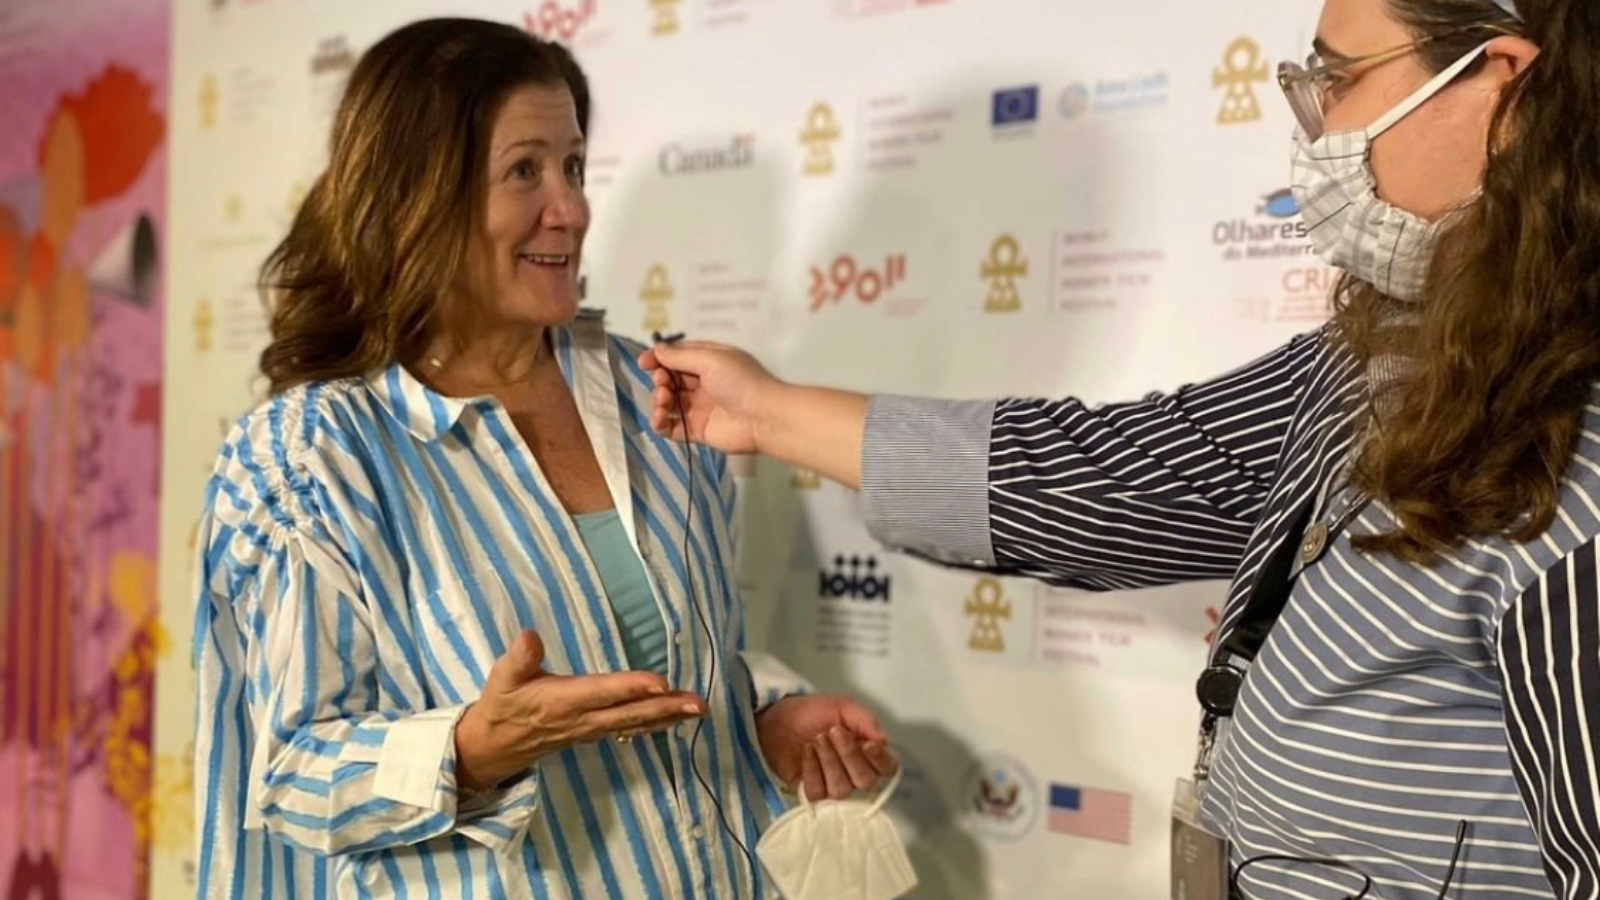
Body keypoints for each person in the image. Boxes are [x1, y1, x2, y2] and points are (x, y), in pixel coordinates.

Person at [642, 0, 1600, 897]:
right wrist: (765, 413)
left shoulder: (1577, 451)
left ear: (1502, 83)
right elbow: (1108, 480)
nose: (1316, 130)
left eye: (1338, 80)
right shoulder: (1391, 356)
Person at [191, 18, 896, 900]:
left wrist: (764, 720)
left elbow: (683, 658)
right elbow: (291, 771)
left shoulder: (661, 395)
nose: (570, 207)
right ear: (418, 195)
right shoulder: (312, 454)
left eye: (573, 165)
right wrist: (473, 747)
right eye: (525, 170)